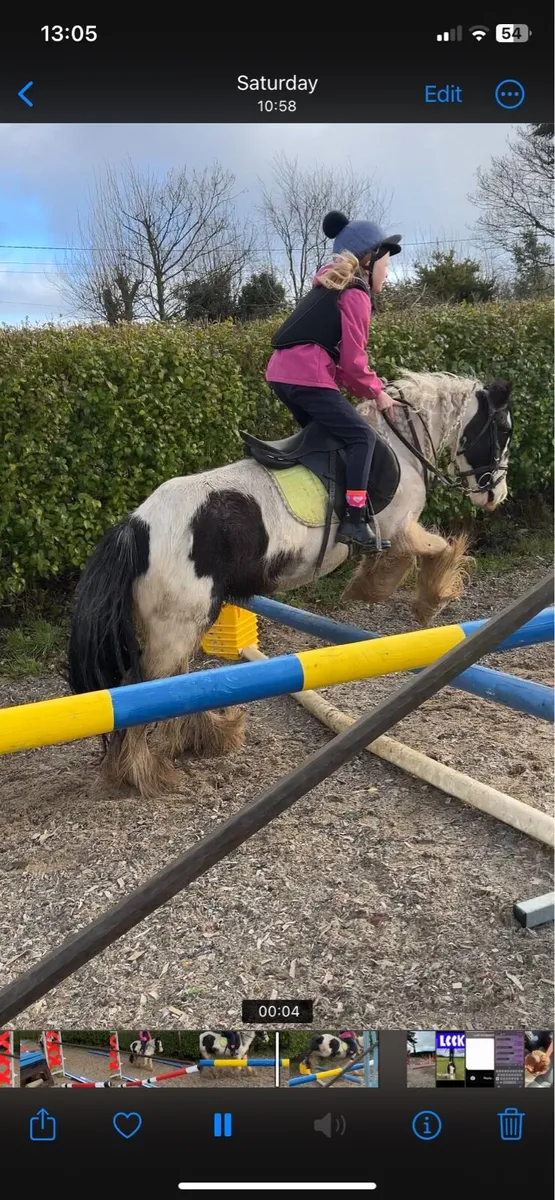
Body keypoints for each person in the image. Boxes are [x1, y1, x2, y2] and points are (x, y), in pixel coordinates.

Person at [266, 210, 402, 552]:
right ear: (368, 260)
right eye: (386, 263)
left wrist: (368, 385)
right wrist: (377, 392)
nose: (388, 272)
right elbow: (354, 363)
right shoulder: (355, 294)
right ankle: (354, 521)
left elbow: (336, 361)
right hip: (306, 377)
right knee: (361, 438)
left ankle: (320, 513)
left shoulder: (328, 289)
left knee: (330, 439)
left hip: (281, 376)